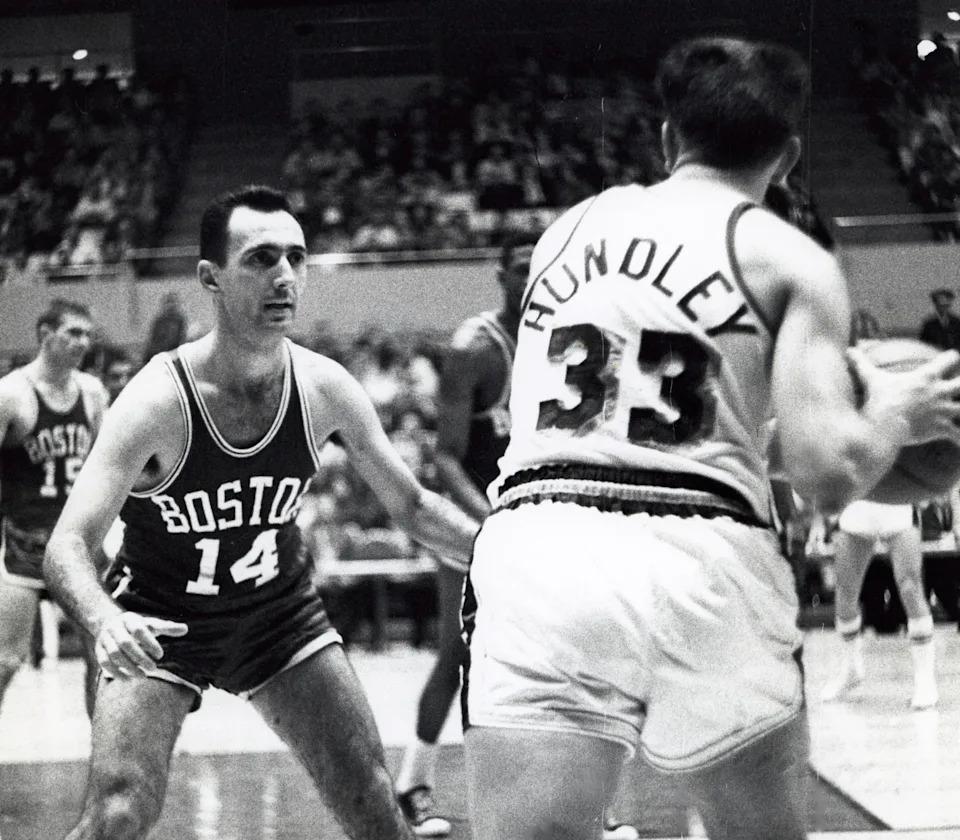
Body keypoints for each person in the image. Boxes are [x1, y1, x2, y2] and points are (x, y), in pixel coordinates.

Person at [461, 37, 960, 840]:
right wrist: (895, 412)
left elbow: (612, 427)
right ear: (788, 157)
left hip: (541, 543)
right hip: (702, 562)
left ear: (667, 139)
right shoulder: (793, 259)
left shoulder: (565, 232)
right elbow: (826, 475)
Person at [44, 185, 480, 840]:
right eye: (261, 258)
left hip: (277, 615)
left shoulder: (324, 386)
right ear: (209, 279)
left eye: (297, 258)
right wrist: (104, 619)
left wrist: (503, 551)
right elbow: (68, 545)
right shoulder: (156, 401)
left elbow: (414, 507)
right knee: (120, 810)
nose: (284, 276)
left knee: (372, 800)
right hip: (161, 617)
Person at [0, 298, 108, 717]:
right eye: (73, 333)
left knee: (103, 653)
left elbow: (108, 464)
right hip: (23, 543)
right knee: (7, 660)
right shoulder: (11, 394)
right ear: (45, 334)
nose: (83, 342)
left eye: (87, 334)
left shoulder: (93, 392)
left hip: (77, 543)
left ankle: (106, 752)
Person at [919, 287, 960, 352]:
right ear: (935, 304)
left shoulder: (957, 322)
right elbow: (923, 344)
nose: (943, 309)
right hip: (935, 356)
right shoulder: (929, 325)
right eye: (940, 306)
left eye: (946, 305)